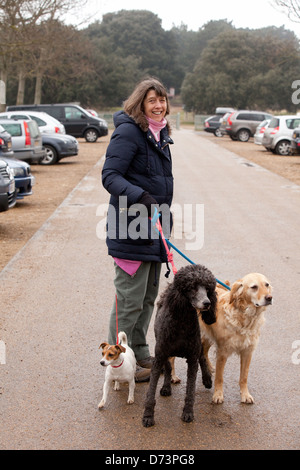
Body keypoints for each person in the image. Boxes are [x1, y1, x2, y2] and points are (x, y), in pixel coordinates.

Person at [102, 77, 174, 382]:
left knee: (147, 298)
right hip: (130, 228)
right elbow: (110, 176)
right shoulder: (129, 132)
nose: (158, 106)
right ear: (140, 104)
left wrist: (164, 229)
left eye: (162, 100)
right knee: (129, 300)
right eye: (151, 101)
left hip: (154, 230)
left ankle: (140, 352)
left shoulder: (161, 135)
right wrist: (140, 196)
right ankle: (116, 363)